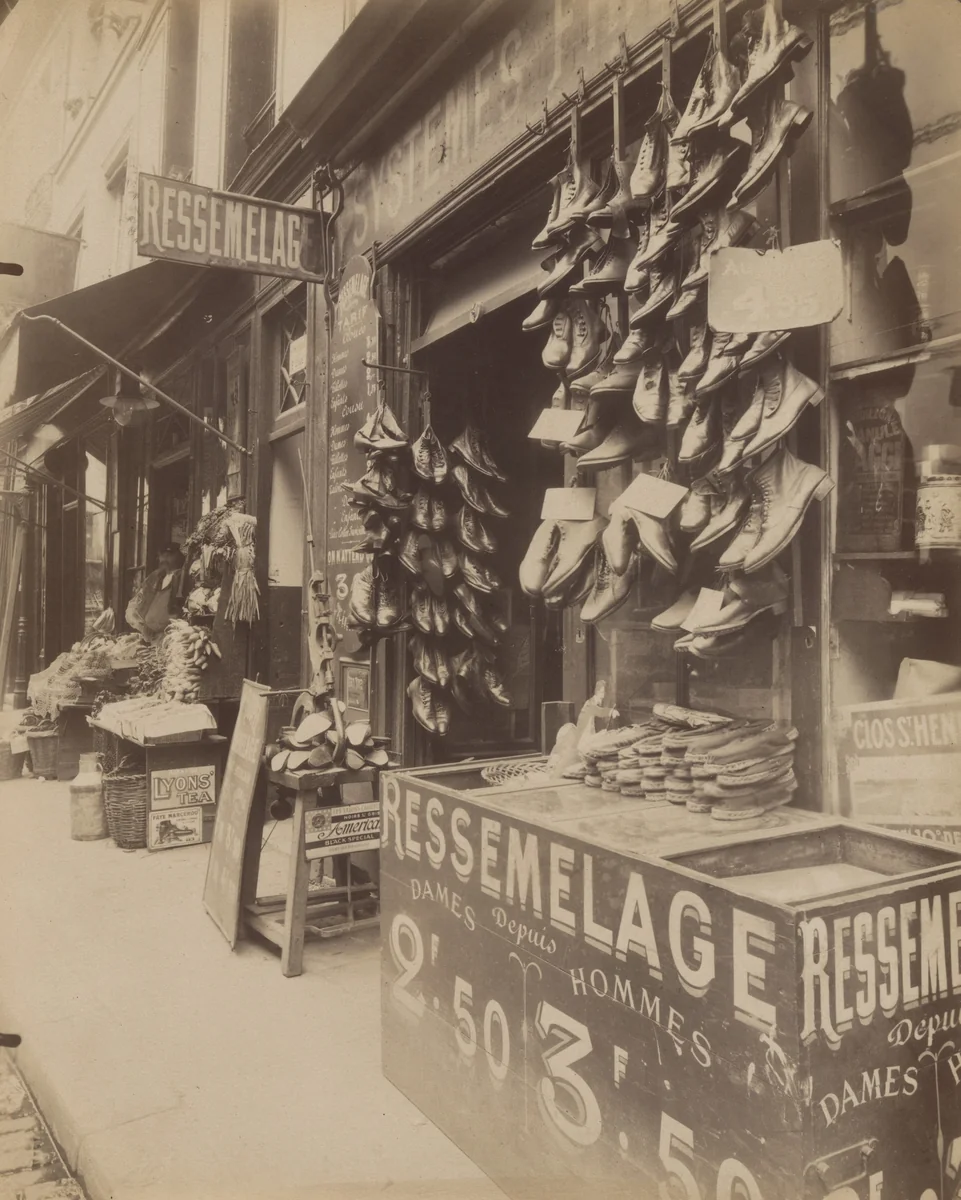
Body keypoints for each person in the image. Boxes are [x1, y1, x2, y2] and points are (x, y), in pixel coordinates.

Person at [125, 544, 185, 642]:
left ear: (178, 557)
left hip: (169, 637)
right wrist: (135, 617)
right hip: (148, 635)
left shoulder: (182, 578)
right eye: (162, 555)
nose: (164, 559)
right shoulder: (155, 576)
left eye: (169, 556)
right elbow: (138, 599)